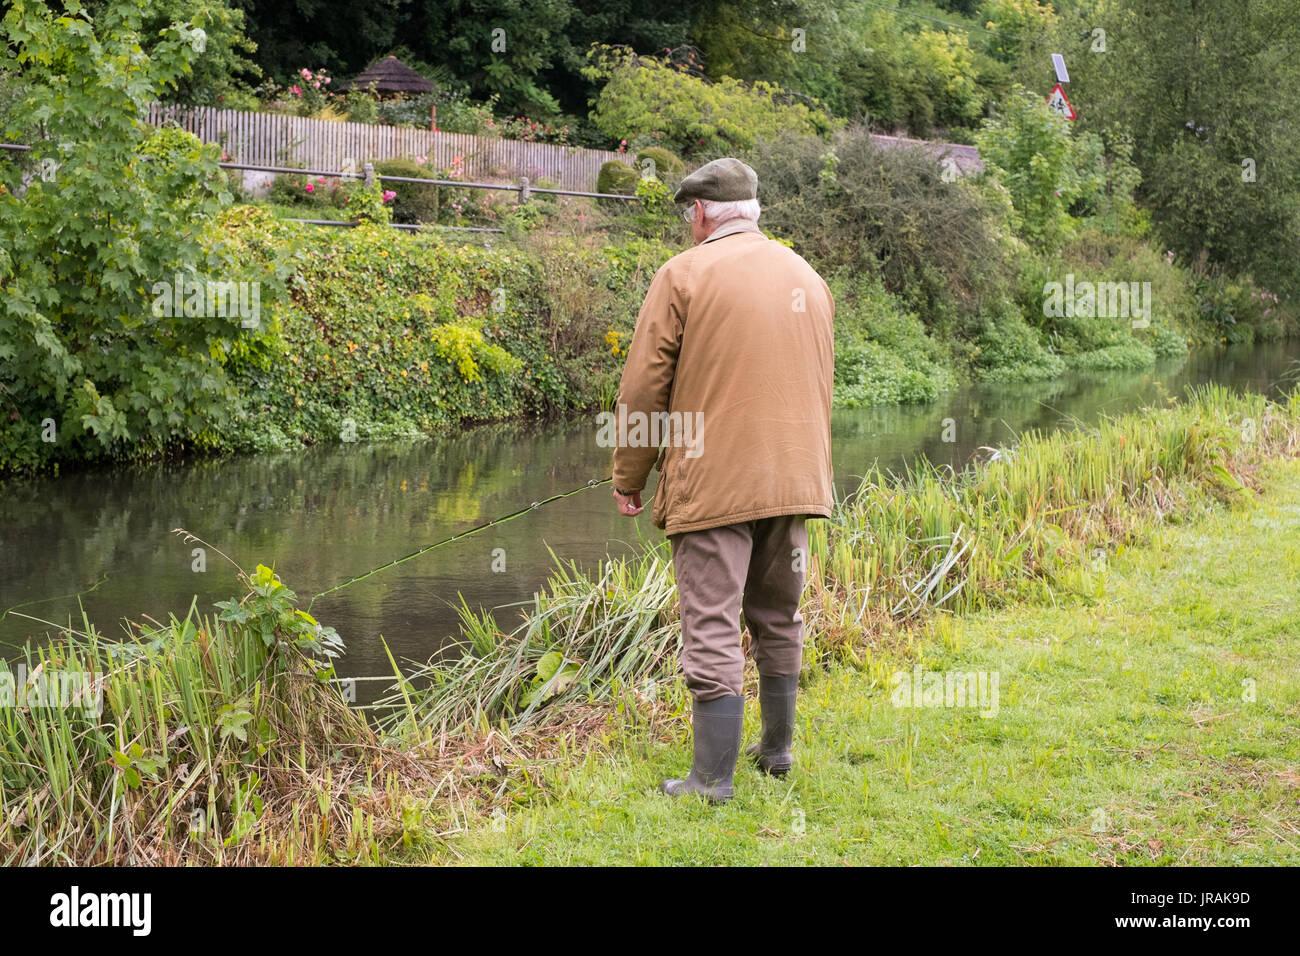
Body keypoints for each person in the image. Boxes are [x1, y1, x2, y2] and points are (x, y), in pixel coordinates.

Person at [610, 157, 835, 803]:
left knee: (710, 622)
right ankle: (778, 750)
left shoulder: (684, 275)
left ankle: (710, 781)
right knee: (778, 614)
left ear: (701, 213)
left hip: (715, 484)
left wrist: (629, 475)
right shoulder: (806, 276)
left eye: (689, 215)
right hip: (796, 477)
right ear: (755, 211)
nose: (689, 225)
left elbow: (644, 389)